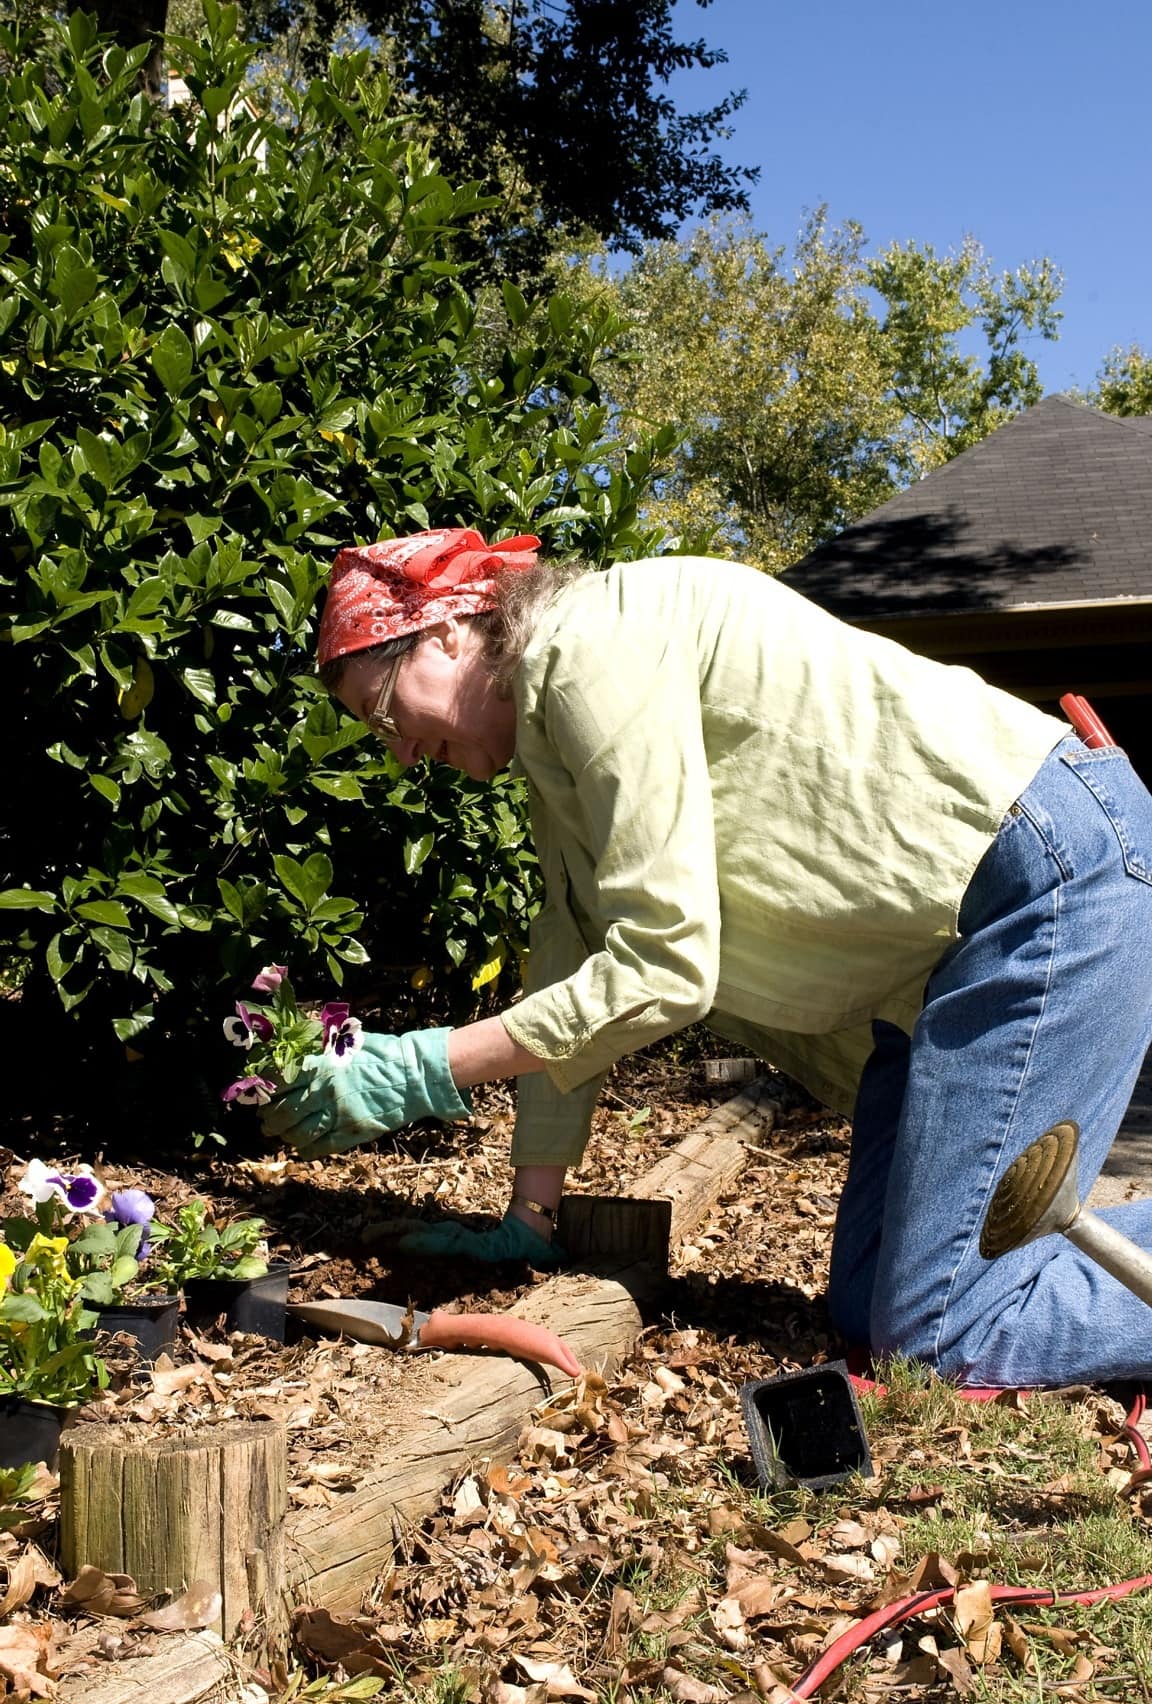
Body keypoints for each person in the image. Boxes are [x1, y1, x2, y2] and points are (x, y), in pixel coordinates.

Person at [262, 526, 1152, 1388]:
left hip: (1049, 880)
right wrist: (532, 1217)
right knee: (867, 1305)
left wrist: (425, 1066)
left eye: (385, 711)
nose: (404, 752)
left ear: (451, 628)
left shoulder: (590, 651)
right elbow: (570, 957)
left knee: (939, 1331)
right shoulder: (553, 740)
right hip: (950, 962)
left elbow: (662, 964)